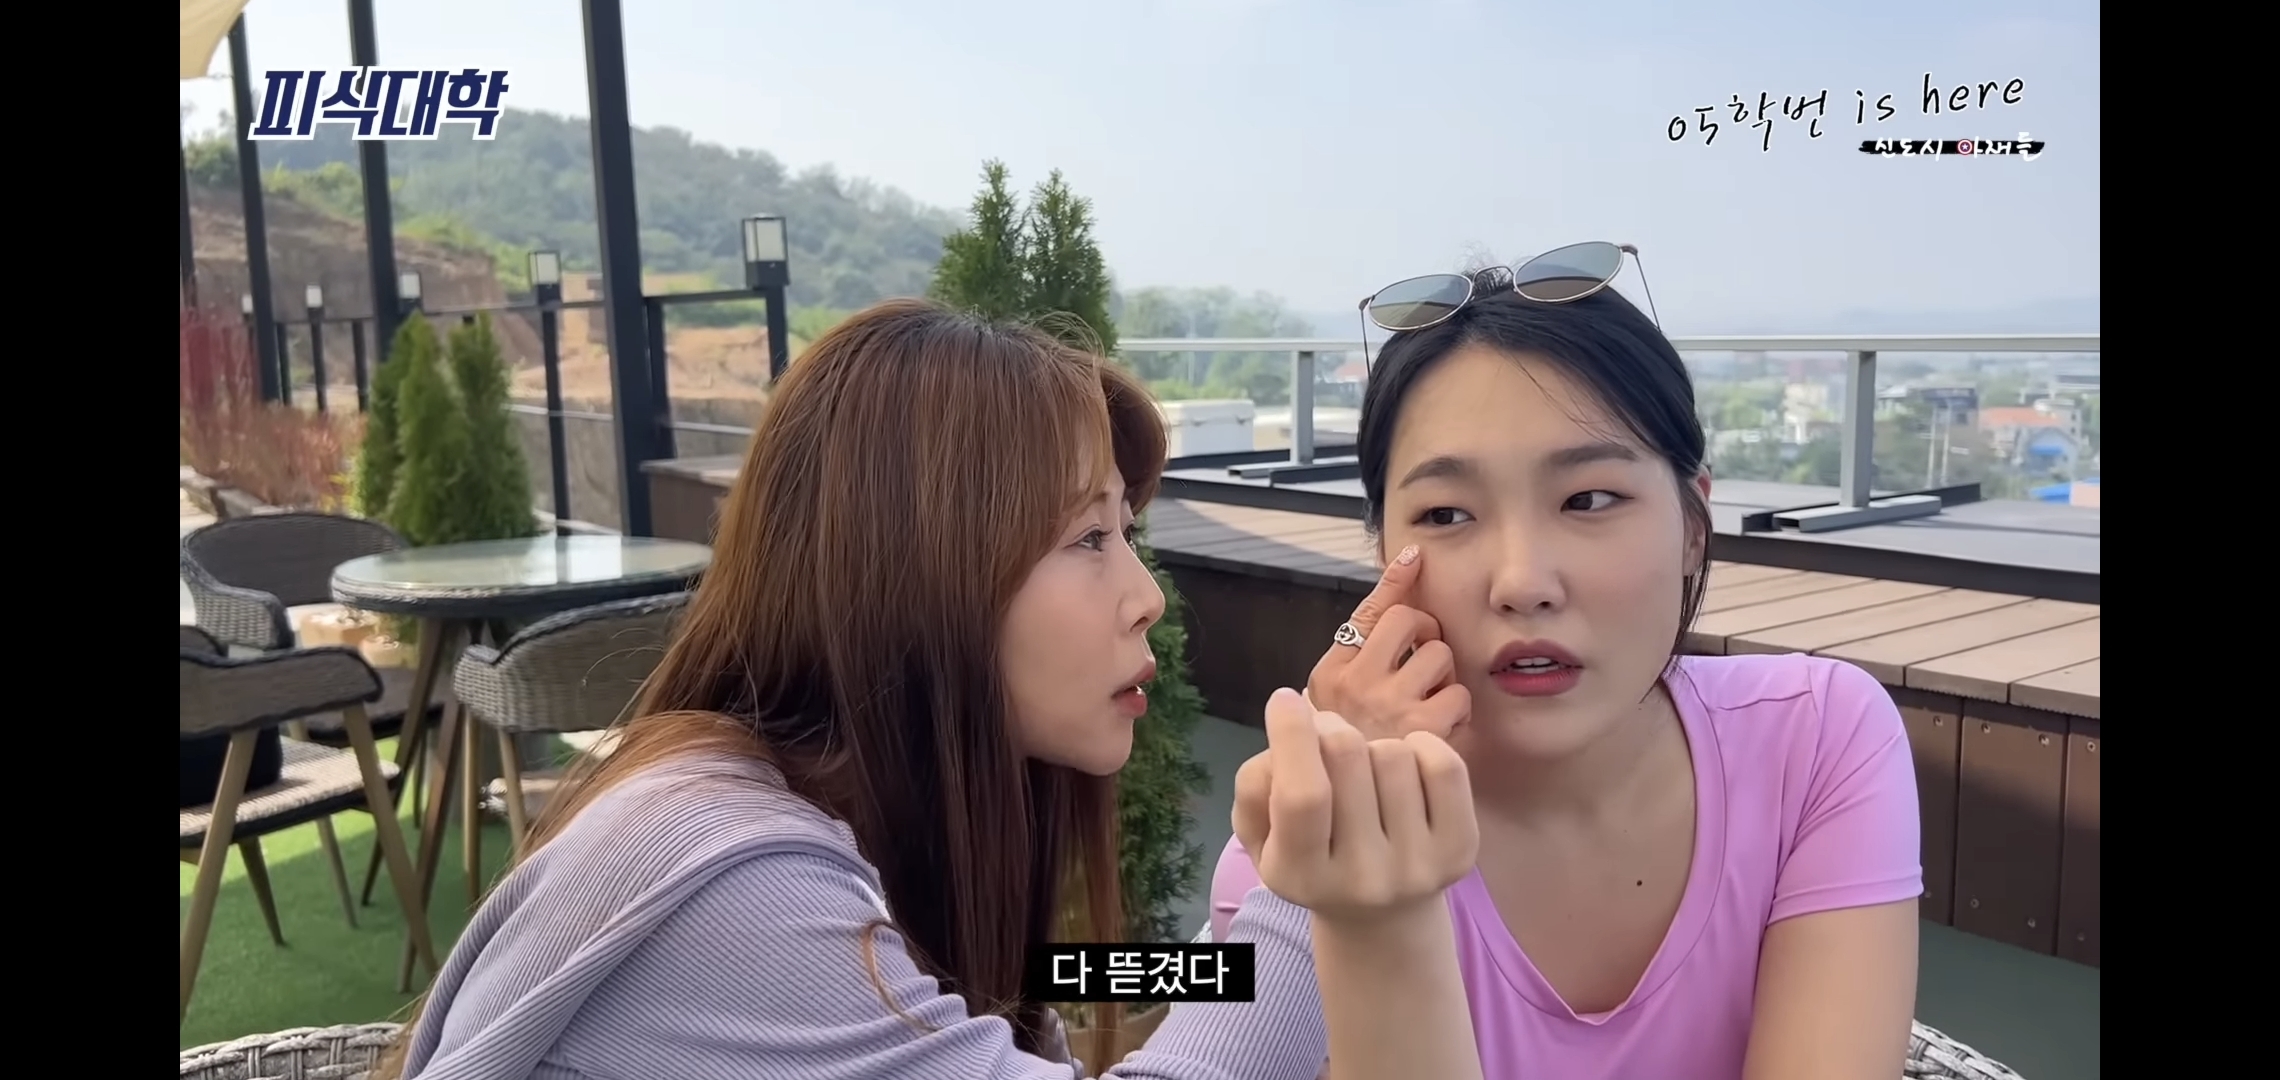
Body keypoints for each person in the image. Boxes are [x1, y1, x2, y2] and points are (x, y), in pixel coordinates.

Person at [373, 298, 1485, 1080]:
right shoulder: (737, 884)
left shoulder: (870, 831)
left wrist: (1265, 879)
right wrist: (1325, 870)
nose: (1145, 595)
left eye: (1129, 534)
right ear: (916, 570)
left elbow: (1064, 973)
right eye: (1088, 537)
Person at [1197, 252, 1925, 1079]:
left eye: (1589, 499)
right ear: (1383, 558)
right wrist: (1373, 899)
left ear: (1693, 527)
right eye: (1446, 515)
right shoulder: (1300, 855)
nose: (1522, 583)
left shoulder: (1815, 739)